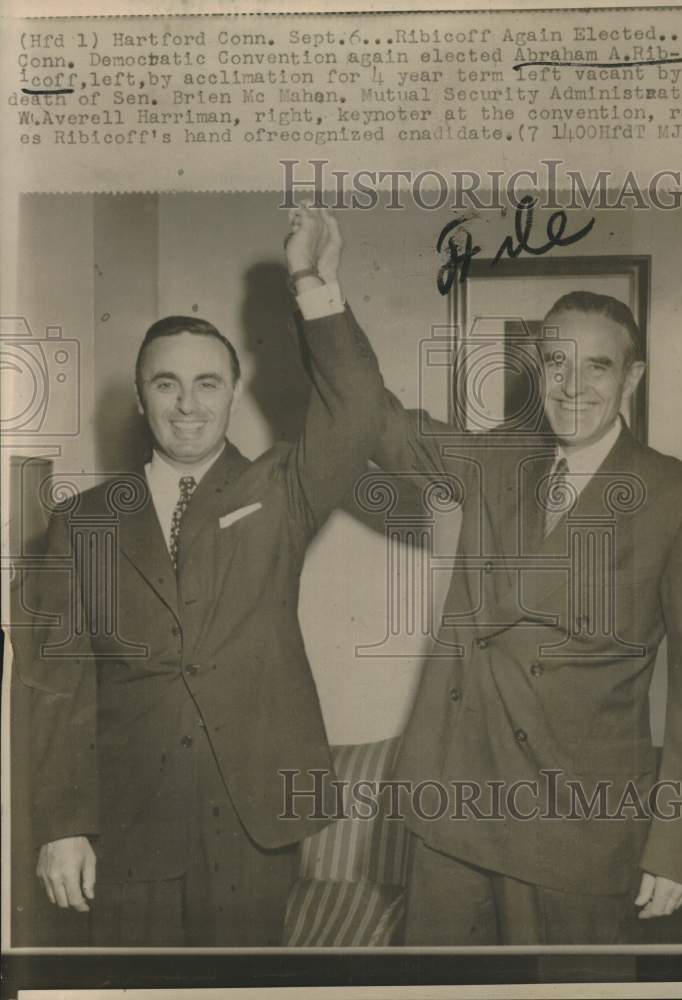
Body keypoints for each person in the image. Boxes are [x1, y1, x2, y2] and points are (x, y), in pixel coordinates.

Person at [17, 206, 381, 946]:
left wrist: (313, 284)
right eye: (167, 384)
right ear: (141, 394)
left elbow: (356, 410)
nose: (188, 404)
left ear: (234, 391)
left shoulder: (281, 489)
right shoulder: (82, 521)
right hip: (126, 825)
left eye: (208, 383)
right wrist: (62, 826)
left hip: (255, 820)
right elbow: (58, 684)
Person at [344, 279, 682, 945]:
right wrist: (317, 287)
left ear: (631, 377)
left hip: (576, 835)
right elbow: (371, 417)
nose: (572, 385)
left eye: (598, 365)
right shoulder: (495, 462)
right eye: (556, 362)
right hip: (454, 816)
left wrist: (675, 847)